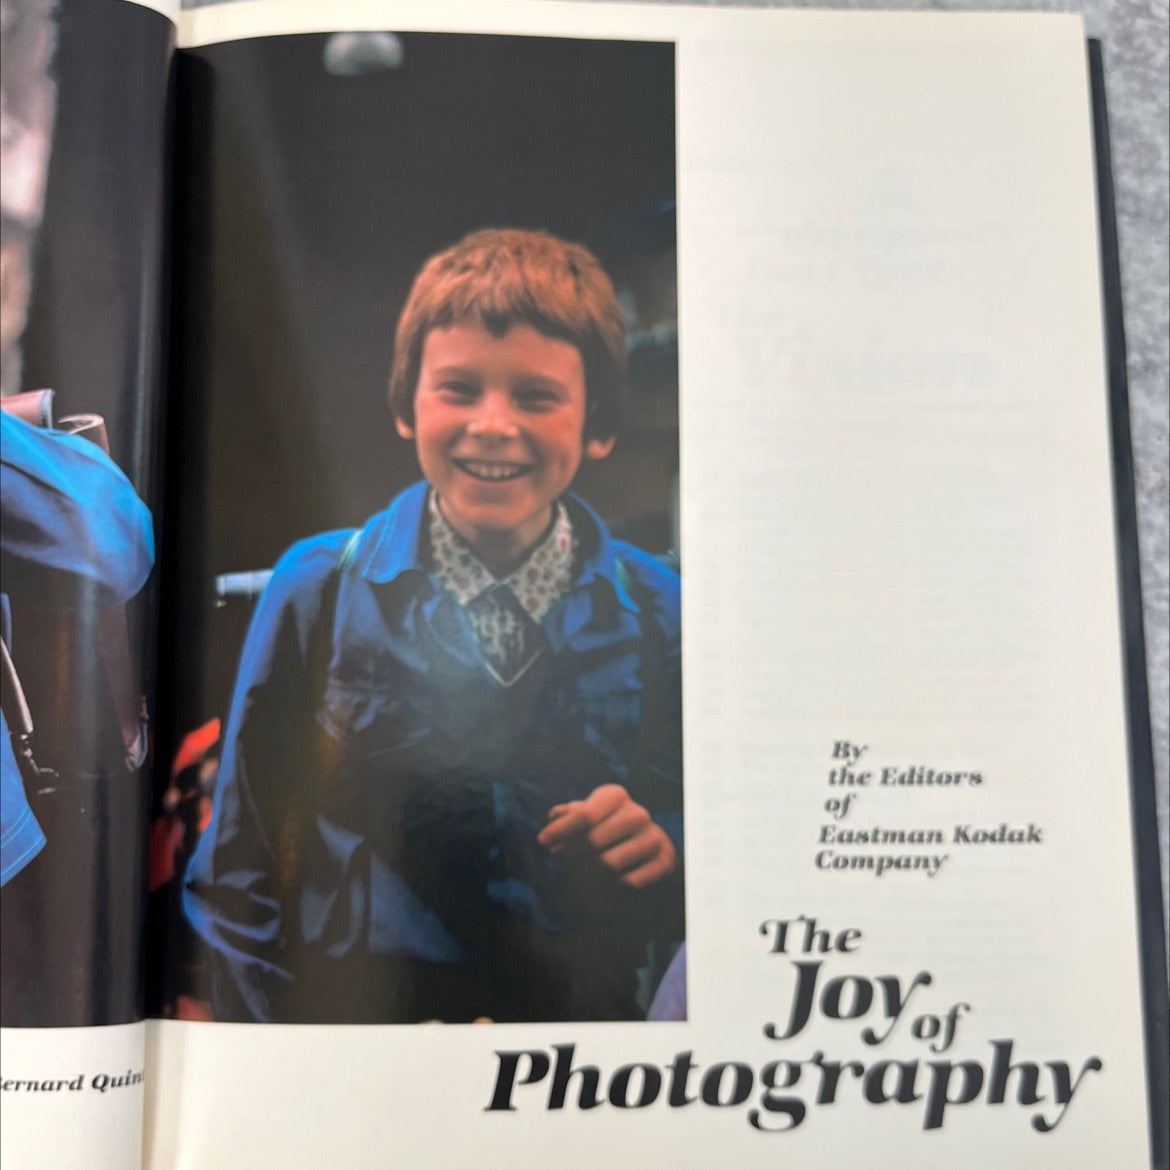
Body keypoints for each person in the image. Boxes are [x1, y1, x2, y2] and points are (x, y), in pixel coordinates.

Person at [184, 229, 683, 1023]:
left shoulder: (662, 606)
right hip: (358, 1050)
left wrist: (667, 848)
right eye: (458, 388)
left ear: (600, 425)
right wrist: (274, 1068)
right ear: (405, 407)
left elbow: (712, 847)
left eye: (536, 396)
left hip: (570, 1064)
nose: (492, 423)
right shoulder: (317, 587)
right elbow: (236, 873)